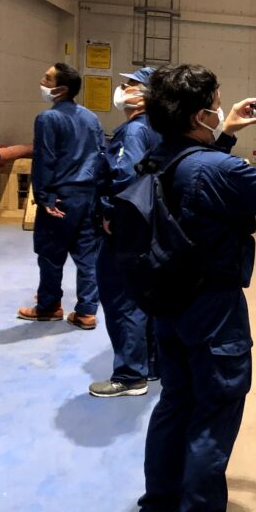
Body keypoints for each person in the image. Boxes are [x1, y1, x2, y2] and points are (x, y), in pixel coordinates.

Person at [132, 64, 256, 512]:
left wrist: (224, 133)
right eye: (214, 106)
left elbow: (199, 177)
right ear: (198, 115)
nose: (219, 110)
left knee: (174, 406)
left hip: (168, 300)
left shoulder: (157, 157)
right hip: (213, 308)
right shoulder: (215, 169)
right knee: (214, 412)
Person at [89, 67, 162, 398]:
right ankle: (151, 365)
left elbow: (124, 177)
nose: (123, 88)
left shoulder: (133, 132)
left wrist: (110, 214)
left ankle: (130, 375)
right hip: (149, 226)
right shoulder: (158, 129)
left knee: (122, 300)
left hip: (126, 230)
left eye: (131, 84)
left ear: (145, 95)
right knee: (145, 299)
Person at [18, 64, 106, 328]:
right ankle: (87, 312)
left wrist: (43, 196)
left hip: (60, 196)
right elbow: (101, 155)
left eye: (47, 79)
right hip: (88, 195)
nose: (42, 81)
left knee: (51, 254)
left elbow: (44, 159)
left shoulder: (48, 119)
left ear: (61, 89)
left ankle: (49, 306)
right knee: (87, 255)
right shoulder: (91, 118)